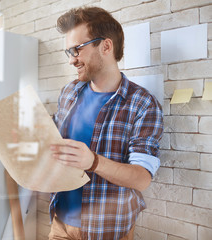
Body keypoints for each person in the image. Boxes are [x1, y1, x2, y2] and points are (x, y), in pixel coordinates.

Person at [49, 7, 163, 240]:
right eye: (68, 52)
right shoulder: (69, 92)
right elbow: (53, 138)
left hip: (107, 231)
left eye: (77, 50)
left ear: (106, 46)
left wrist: (93, 162)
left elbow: (142, 178)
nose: (72, 60)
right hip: (59, 224)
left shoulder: (142, 104)